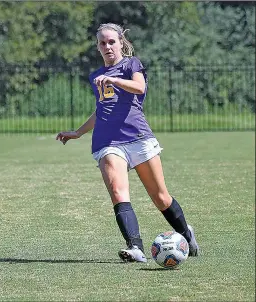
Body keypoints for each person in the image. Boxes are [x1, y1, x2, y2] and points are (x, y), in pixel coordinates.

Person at [56, 23, 199, 262]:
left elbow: (139, 87)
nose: (107, 46)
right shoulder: (96, 76)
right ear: (97, 47)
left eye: (111, 41)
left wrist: (114, 81)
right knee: (118, 192)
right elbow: (101, 110)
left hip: (138, 137)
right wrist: (78, 133)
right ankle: (135, 247)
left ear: (121, 42)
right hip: (108, 141)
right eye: (102, 43)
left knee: (161, 198)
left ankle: (185, 234)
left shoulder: (131, 64)